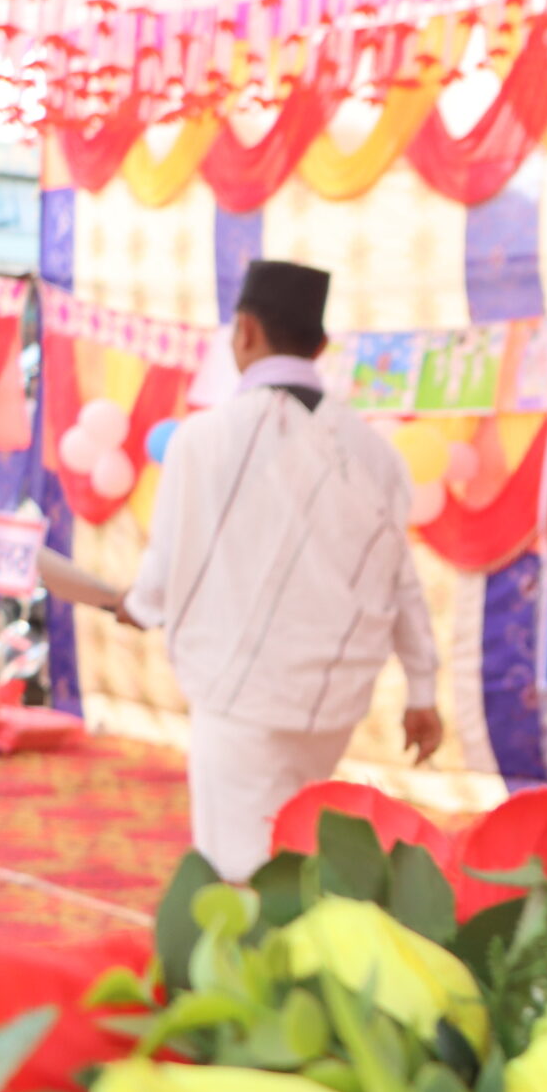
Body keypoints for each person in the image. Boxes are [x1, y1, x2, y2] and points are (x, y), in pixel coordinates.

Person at [117, 261, 442, 882]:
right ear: (320, 347)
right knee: (297, 856)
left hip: (240, 700)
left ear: (244, 330)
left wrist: (135, 606)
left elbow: (160, 571)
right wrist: (422, 693)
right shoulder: (376, 454)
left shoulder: (202, 440)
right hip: (331, 703)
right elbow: (401, 582)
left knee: (238, 871)